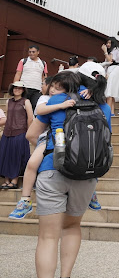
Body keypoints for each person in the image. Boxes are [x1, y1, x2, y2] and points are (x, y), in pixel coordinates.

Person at [26, 67, 111, 278]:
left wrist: (47, 143)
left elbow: (31, 135)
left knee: (48, 236)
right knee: (72, 226)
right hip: (87, 175)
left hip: (52, 170)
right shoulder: (102, 104)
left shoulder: (57, 100)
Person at [7, 77, 101, 220]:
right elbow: (40, 109)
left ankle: (25, 199)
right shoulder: (49, 99)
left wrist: (90, 89)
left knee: (33, 164)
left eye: (57, 88)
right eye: (52, 86)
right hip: (54, 137)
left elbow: (32, 132)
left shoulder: (73, 96)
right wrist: (61, 105)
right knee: (32, 164)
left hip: (65, 140)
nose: (52, 90)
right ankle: (25, 200)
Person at [0, 81, 34, 189]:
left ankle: (14, 180)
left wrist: (28, 131)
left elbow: (30, 118)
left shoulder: (26, 101)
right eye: (15, 88)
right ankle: (6, 180)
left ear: (23, 90)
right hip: (7, 132)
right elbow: (8, 116)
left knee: (17, 156)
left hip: (20, 132)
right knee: (5, 156)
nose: (17, 90)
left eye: (20, 88)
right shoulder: (8, 101)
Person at [101, 37, 119, 115]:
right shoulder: (114, 50)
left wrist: (105, 51)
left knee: (109, 92)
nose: (108, 44)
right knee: (111, 92)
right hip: (113, 69)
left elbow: (110, 61)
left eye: (109, 43)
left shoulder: (115, 50)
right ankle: (112, 112)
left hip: (114, 69)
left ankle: (108, 112)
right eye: (107, 43)